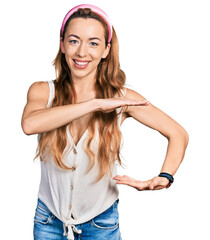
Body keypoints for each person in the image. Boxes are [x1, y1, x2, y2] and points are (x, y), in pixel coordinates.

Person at [21, 4, 189, 240]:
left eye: (93, 43)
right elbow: (29, 124)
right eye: (73, 41)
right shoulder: (42, 91)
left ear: (106, 50)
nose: (81, 52)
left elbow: (178, 133)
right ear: (62, 45)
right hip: (48, 222)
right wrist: (95, 104)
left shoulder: (122, 98)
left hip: (101, 224)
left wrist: (166, 175)